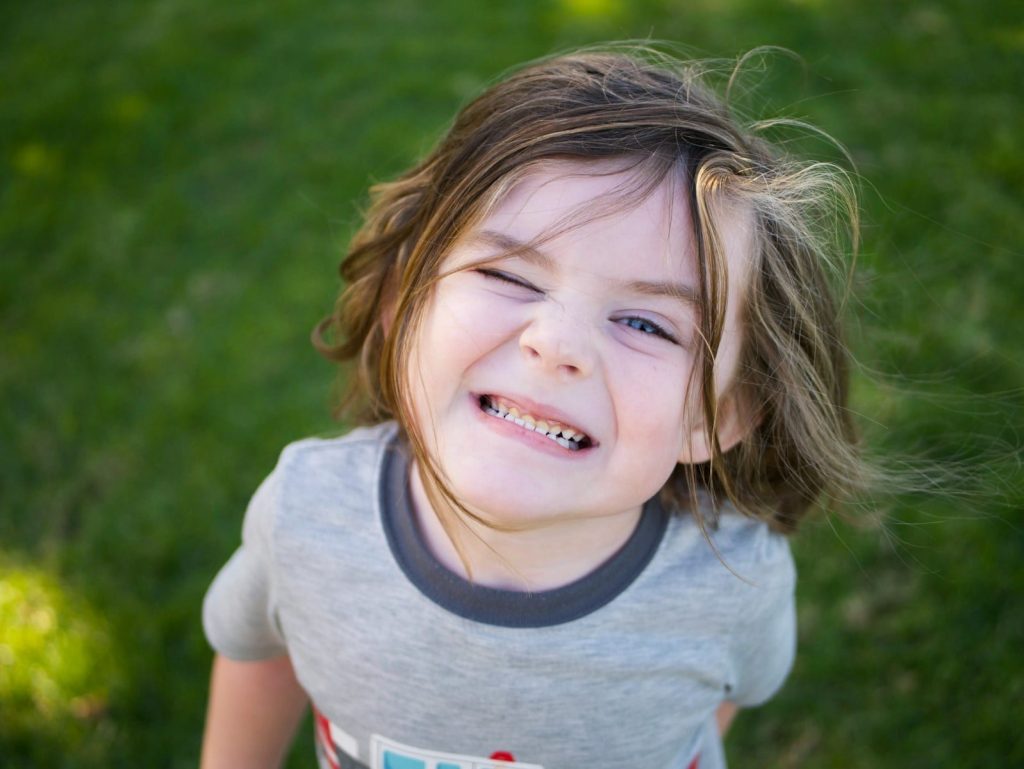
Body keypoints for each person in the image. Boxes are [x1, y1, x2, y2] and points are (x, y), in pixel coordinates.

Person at [200, 44, 863, 769]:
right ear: (402, 298)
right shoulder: (306, 516)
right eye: (509, 274)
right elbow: (259, 652)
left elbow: (716, 704)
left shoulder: (733, 582)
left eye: (646, 323)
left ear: (719, 417)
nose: (556, 344)